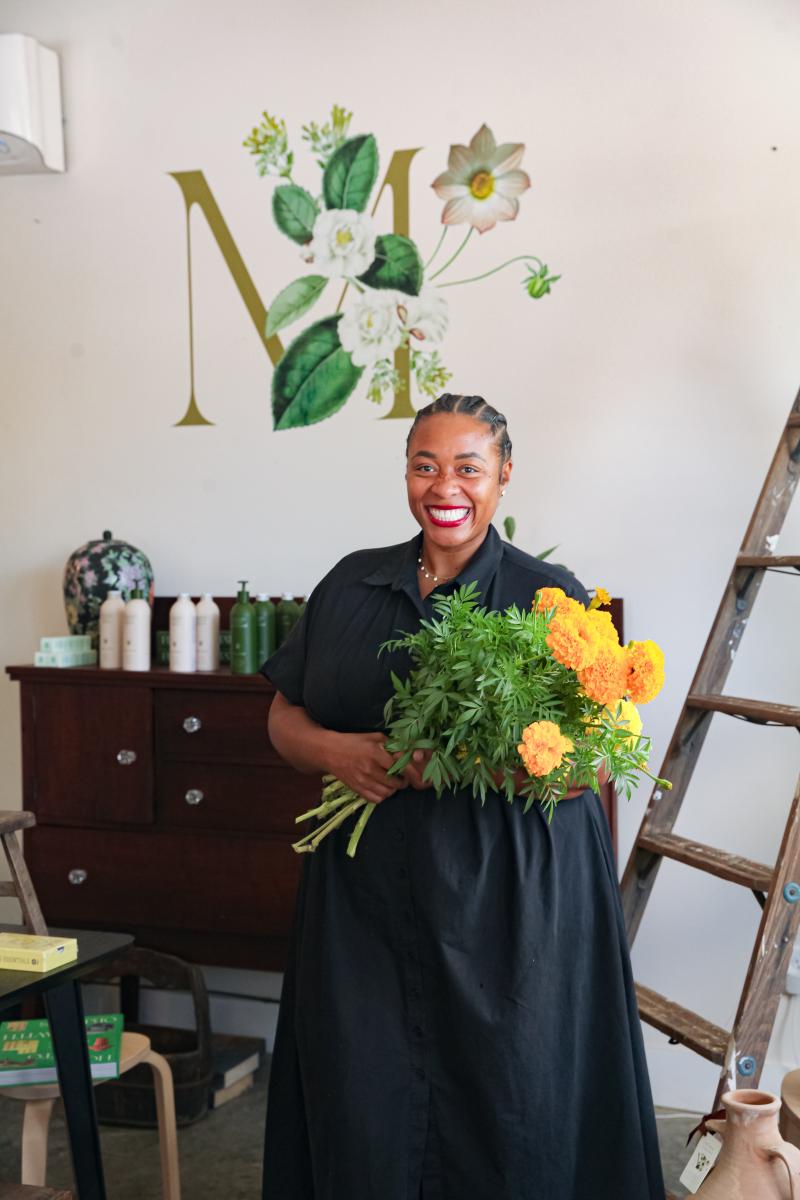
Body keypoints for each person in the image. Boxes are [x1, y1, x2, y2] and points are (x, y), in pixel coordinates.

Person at [260, 393, 665, 1200]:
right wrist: (340, 752)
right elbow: (282, 715)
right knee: (364, 1096)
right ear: (407, 473)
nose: (445, 486)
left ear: (504, 477)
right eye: (426, 465)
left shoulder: (549, 600)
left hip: (507, 907)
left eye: (468, 467)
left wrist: (479, 761)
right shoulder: (351, 584)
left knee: (510, 1104)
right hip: (364, 906)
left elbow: (586, 766)